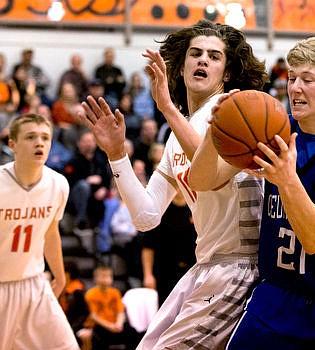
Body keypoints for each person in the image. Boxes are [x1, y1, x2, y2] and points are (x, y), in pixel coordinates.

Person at [79, 19, 267, 349]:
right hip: (206, 265)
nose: (203, 60)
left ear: (225, 73)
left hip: (242, 266)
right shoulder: (174, 138)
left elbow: (210, 171)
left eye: (214, 56)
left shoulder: (235, 108)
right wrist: (116, 154)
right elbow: (146, 216)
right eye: (195, 53)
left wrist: (166, 107)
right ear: (180, 67)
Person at [189, 36, 315, 349]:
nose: (294, 88)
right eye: (292, 78)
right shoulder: (272, 131)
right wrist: (216, 131)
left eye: (308, 80)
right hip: (276, 295)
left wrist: (286, 179)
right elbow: (201, 180)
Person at [0, 113, 79, 349]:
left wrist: (60, 275)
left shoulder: (57, 184)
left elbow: (50, 232)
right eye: (31, 137)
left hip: (33, 284)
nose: (40, 143)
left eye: (46, 138)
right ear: (12, 144)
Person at [142, 189, 197, 306]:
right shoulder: (160, 211)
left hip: (191, 271)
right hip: (165, 272)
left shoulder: (196, 210)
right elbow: (148, 247)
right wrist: (148, 275)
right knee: (165, 310)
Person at [79, 265, 139, 350]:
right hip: (99, 326)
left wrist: (119, 323)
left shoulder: (115, 292)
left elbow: (120, 311)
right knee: (98, 337)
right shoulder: (91, 294)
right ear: (95, 278)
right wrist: (109, 326)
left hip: (115, 324)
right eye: (103, 276)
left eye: (109, 276)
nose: (106, 278)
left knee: (132, 332)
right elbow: (94, 316)